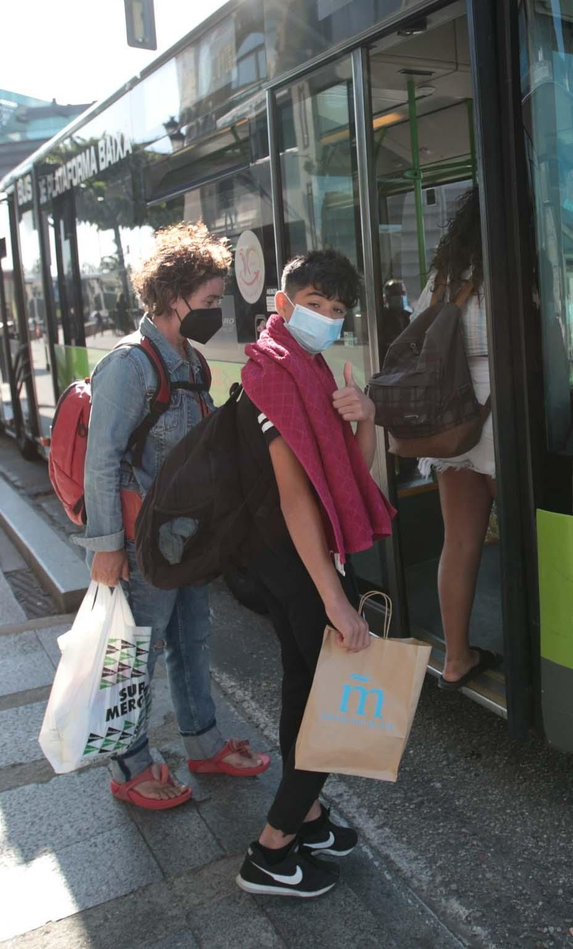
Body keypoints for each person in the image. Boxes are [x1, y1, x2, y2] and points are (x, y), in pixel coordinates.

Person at [75, 223, 269, 810]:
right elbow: (101, 463)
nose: (215, 312)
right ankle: (128, 764)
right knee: (136, 650)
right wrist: (105, 547)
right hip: (139, 543)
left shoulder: (191, 360)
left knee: (193, 639)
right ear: (170, 298)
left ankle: (202, 741)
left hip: (184, 539)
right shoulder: (128, 367)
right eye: (208, 301)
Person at [233, 247, 396, 899]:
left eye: (337, 311)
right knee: (337, 701)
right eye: (315, 305)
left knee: (306, 684)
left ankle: (307, 815)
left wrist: (365, 419)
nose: (326, 318)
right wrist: (337, 600)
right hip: (294, 561)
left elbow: (344, 474)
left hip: (295, 557)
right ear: (283, 304)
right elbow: (298, 496)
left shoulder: (308, 365)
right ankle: (270, 851)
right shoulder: (270, 374)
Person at [411, 189, 501, 691]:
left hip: (451, 421)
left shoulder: (444, 280)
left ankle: (457, 658)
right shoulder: (518, 266)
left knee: (461, 542)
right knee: (529, 546)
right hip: (502, 417)